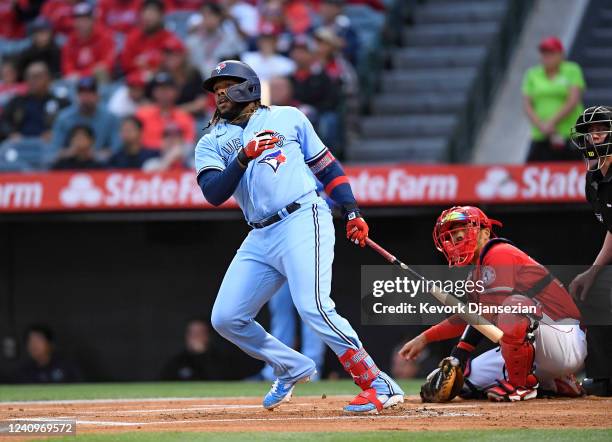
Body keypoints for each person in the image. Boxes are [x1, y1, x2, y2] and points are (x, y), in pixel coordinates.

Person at [195, 60, 404, 413]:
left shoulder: (287, 117)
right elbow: (213, 193)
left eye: (226, 87)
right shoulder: (211, 141)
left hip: (302, 217)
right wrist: (243, 158)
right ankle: (291, 366)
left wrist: (351, 210)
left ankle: (378, 383)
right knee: (226, 317)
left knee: (314, 306)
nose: (219, 95)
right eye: (215, 91)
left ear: (248, 87)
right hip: (260, 232)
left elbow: (325, 166)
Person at [399, 206, 586, 402]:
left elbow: (488, 313)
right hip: (541, 348)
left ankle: (522, 386)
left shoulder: (499, 252)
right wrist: (425, 338)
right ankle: (555, 382)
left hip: (563, 337)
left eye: (463, 227)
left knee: (513, 306)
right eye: (451, 232)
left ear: (485, 232)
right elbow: (472, 318)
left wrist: (458, 356)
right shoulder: (475, 277)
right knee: (465, 383)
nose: (457, 236)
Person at [568, 106, 612, 396]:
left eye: (601, 129)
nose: (594, 135)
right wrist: (593, 271)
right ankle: (604, 377)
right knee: (592, 290)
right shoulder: (593, 180)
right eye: (590, 131)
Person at [522, 36, 585, 162]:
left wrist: (551, 122)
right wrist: (542, 125)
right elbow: (527, 105)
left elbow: (573, 100)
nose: (547, 56)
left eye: (551, 52)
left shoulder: (571, 70)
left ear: (561, 55)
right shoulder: (532, 74)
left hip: (568, 133)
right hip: (541, 134)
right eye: (544, 53)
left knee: (572, 170)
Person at [255, 282, 326, 382]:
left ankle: (311, 371)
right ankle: (277, 369)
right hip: (280, 267)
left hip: (306, 266)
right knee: (280, 314)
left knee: (311, 309)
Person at [51, 76, 121, 157]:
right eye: (82, 93)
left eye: (90, 93)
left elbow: (117, 149)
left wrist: (95, 155)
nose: (86, 97)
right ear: (76, 96)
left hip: (102, 167)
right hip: (71, 165)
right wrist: (72, 152)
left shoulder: (110, 118)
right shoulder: (64, 118)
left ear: (97, 95)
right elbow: (54, 150)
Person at [1, 62, 68, 141]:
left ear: (48, 78)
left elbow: (69, 123)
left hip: (50, 148)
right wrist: (11, 133)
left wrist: (55, 132)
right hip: (21, 146)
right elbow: (3, 122)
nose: (33, 81)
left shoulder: (61, 103)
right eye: (30, 77)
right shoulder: (17, 102)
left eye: (38, 77)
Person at [120, 0, 182, 77]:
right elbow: (126, 64)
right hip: (136, 82)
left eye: (153, 12)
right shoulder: (132, 38)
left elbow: (175, 64)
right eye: (145, 11)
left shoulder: (170, 38)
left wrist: (148, 62)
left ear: (161, 15)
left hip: (162, 82)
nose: (148, 16)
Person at [135, 72, 195, 150]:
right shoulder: (142, 114)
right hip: (147, 155)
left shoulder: (184, 116)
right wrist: (160, 145)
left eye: (167, 89)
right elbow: (135, 141)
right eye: (160, 89)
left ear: (175, 92)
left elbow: (189, 142)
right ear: (153, 92)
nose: (163, 92)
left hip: (177, 157)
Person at [186, 3, 245, 79]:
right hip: (198, 82)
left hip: (224, 80)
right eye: (205, 15)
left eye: (212, 15)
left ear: (219, 17)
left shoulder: (231, 39)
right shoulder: (192, 41)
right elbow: (190, 67)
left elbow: (240, 61)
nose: (208, 19)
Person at [61, 2, 116, 82]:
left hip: (97, 80)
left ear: (93, 20)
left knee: (101, 71)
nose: (82, 23)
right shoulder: (70, 41)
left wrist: (84, 74)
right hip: (77, 81)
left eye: (85, 19)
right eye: (78, 19)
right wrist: (81, 75)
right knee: (69, 78)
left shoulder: (104, 37)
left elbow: (108, 64)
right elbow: (67, 67)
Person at [161, 319, 226, 381]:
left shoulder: (219, 359)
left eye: (199, 333)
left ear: (208, 336)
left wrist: (201, 354)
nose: (195, 336)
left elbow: (220, 379)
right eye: (191, 333)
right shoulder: (178, 361)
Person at [14, 324, 82, 383]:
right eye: (30, 341)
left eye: (38, 340)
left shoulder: (66, 366)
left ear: (50, 344)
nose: (34, 345)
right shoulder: (24, 371)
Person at [159, 38, 206, 118]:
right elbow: (151, 103)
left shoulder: (194, 74)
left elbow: (201, 103)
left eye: (174, 54)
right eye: (167, 54)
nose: (170, 57)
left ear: (183, 55)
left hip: (194, 118)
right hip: (166, 120)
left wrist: (176, 111)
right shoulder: (160, 76)